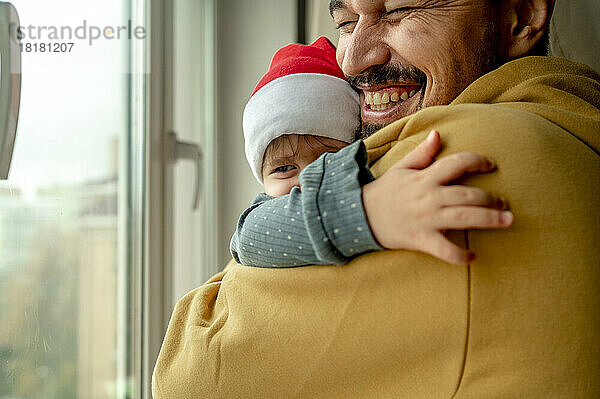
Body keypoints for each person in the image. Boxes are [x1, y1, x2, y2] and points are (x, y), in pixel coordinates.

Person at [153, 0, 600, 397]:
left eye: (400, 11)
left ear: (521, 15)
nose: (351, 60)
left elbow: (191, 372)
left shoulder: (469, 158)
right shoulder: (569, 117)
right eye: (347, 21)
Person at [231, 37, 511, 267]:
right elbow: (246, 239)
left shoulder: (372, 172)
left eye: (325, 159)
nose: (305, 181)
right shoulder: (265, 211)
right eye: (283, 169)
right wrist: (367, 212)